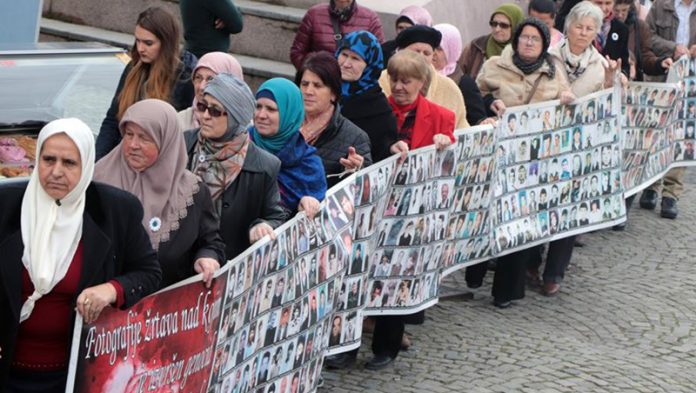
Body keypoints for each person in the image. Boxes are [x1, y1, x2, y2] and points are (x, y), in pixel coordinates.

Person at [0, 119, 161, 390]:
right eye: (48, 159)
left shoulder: (115, 211)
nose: (56, 172)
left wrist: (112, 289)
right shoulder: (6, 206)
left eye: (69, 163)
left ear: (86, 165)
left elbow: (149, 273)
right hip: (7, 373)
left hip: (76, 375)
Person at [367, 48, 456, 371]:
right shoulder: (380, 111)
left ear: (422, 82)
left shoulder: (441, 116)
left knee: (399, 275)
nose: (399, 87)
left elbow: (450, 163)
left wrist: (446, 144)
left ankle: (387, 345)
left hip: (413, 216)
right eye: (394, 79)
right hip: (380, 207)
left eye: (407, 81)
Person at [476, 18, 575, 308]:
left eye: (535, 39)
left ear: (545, 44)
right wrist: (490, 105)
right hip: (500, 152)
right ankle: (475, 271)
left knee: (520, 215)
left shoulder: (554, 71)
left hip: (536, 158)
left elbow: (565, 102)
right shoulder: (495, 64)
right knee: (489, 212)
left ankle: (506, 290)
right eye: (524, 37)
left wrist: (568, 100)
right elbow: (476, 95)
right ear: (516, 40)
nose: (529, 42)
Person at [528, 1, 620, 296]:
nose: (583, 33)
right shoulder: (549, 55)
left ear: (596, 32)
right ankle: (530, 260)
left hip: (579, 148)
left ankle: (555, 272)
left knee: (567, 209)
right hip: (545, 142)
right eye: (579, 26)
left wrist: (610, 81)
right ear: (567, 27)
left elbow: (608, 106)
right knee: (538, 203)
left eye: (589, 28)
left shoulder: (601, 64)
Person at [94, 99, 226, 289]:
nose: (133, 145)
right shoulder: (98, 179)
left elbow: (211, 241)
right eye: (129, 134)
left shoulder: (192, 191)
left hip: (164, 310)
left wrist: (207, 258)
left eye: (145, 138)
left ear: (166, 141)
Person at [184, 74, 287, 259]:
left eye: (215, 111)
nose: (205, 116)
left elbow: (276, 216)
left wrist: (263, 225)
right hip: (176, 267)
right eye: (202, 106)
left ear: (234, 117)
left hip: (224, 269)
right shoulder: (183, 144)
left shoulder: (264, 165)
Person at [96, 7, 197, 160]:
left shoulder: (185, 76)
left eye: (148, 43)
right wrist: (97, 161)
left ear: (166, 43)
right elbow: (112, 119)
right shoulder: (133, 68)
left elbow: (187, 133)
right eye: (138, 40)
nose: (140, 48)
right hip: (123, 157)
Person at [641, 0, 693, 219]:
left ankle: (671, 193)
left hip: (691, 81)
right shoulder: (661, 6)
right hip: (661, 76)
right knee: (655, 132)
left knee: (681, 136)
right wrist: (673, 48)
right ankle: (650, 185)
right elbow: (648, 38)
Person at [249, 77, 328, 217]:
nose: (261, 115)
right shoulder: (239, 146)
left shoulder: (309, 165)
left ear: (289, 114)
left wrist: (305, 204)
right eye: (258, 106)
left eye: (271, 109)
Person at [296, 52, 373, 187]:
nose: (308, 91)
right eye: (304, 84)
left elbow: (365, 190)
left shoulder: (356, 138)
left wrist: (354, 172)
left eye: (317, 86)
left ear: (333, 93)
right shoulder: (284, 123)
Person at [379, 25, 470, 129]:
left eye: (426, 53)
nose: (421, 57)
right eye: (416, 52)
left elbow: (461, 127)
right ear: (400, 52)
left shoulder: (449, 87)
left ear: (433, 56)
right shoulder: (382, 81)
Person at [337, 30, 401, 162]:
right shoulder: (323, 90)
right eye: (344, 55)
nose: (346, 64)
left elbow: (380, 156)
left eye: (355, 58)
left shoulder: (380, 110)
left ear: (370, 66)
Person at [290, 0, 384, 69]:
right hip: (320, 82)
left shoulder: (371, 19)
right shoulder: (314, 14)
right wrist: (314, 70)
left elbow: (380, 58)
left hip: (354, 87)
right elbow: (297, 52)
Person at [433, 23, 489, 126]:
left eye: (439, 48)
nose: (433, 53)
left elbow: (477, 120)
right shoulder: (421, 76)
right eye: (431, 47)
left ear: (451, 49)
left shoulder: (464, 83)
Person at [177, 51, 244, 131]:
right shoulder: (179, 122)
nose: (202, 87)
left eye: (211, 79)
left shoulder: (249, 128)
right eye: (198, 78)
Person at [459, 3, 524, 79]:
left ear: (515, 27)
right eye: (494, 24)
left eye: (504, 25)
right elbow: (459, 74)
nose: (497, 29)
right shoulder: (476, 46)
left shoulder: (524, 52)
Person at [613, 0, 672, 81]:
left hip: (632, 81)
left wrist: (660, 63)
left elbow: (645, 57)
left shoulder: (640, 27)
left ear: (629, 8)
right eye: (616, 11)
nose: (620, 15)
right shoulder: (604, 27)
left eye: (624, 10)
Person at [179, 0, 244, 59]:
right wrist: (230, 16)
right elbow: (237, 24)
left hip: (192, 53)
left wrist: (229, 16)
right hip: (211, 59)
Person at [589, 0, 631, 76]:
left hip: (609, 83)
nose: (603, 8)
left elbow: (624, 64)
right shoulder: (578, 25)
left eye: (608, 3)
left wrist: (623, 75)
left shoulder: (621, 29)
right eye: (599, 3)